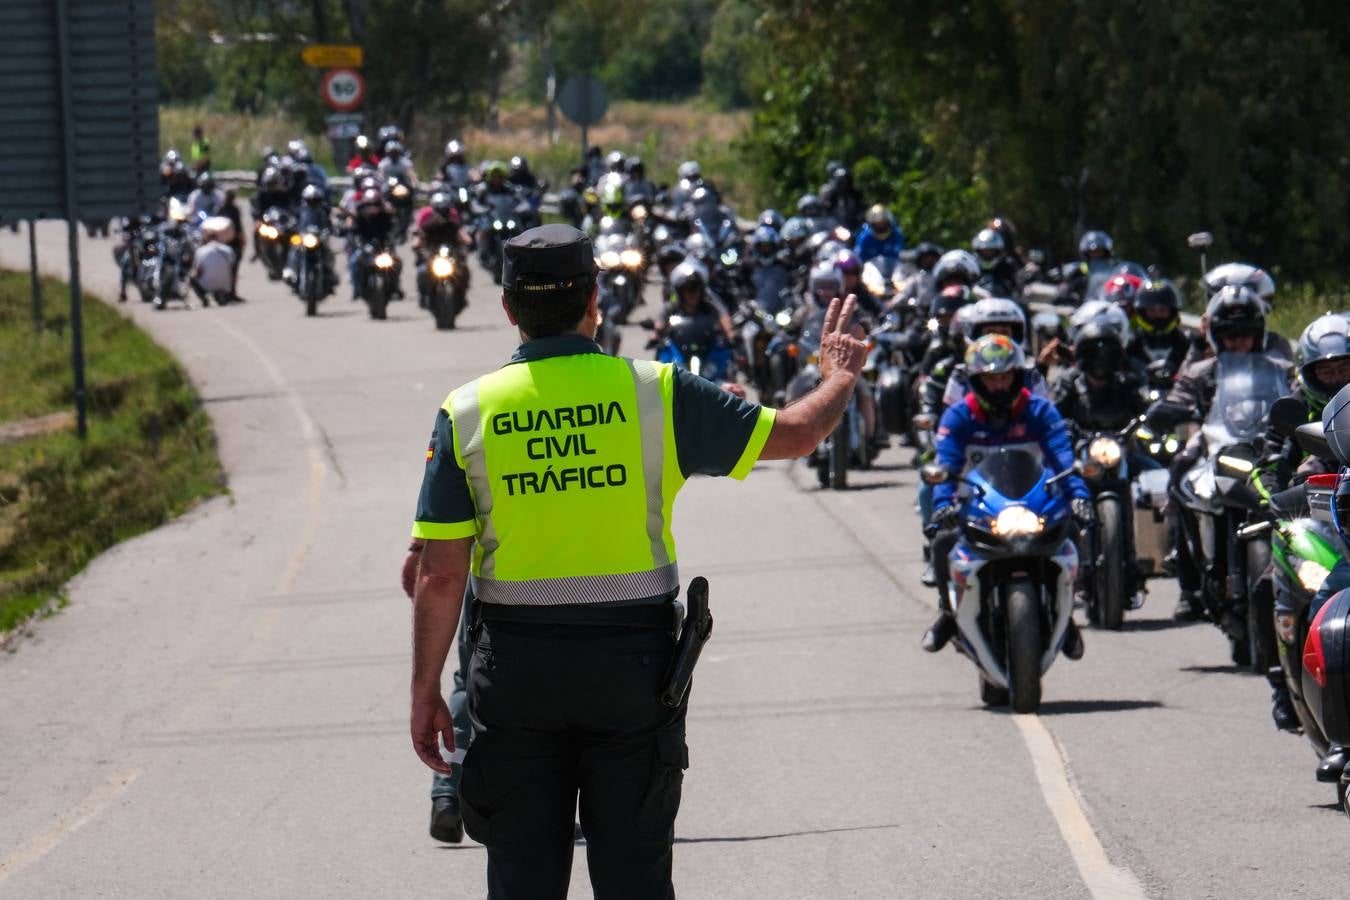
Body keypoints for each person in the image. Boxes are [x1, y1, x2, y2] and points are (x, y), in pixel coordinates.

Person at [404, 223, 869, 898]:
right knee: (635, 880)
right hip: (633, 676)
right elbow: (798, 433)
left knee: (520, 881)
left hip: (516, 678)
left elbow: (439, 574)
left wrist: (423, 693)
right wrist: (840, 376)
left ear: (507, 308)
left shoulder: (467, 412)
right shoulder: (658, 391)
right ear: (596, 300)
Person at [922, 334, 1092, 654]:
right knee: (943, 542)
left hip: (1035, 505)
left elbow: (1062, 459)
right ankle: (948, 612)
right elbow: (945, 464)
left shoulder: (1041, 411)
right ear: (976, 380)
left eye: (1005, 377)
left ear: (1017, 377)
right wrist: (943, 505)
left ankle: (1065, 616)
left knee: (1071, 533)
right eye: (990, 378)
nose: (999, 385)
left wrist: (1079, 497)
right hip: (977, 508)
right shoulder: (959, 416)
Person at [1151, 285, 1292, 621]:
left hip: (1266, 445)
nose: (1237, 342)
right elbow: (1179, 396)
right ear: (1216, 335)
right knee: (1180, 472)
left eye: (1244, 334)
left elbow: (1298, 394)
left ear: (1257, 334)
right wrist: (1170, 409)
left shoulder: (1280, 367)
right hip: (1214, 442)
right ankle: (1187, 584)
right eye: (1229, 335)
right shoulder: (1203, 370)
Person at [188, 231, 236, 308]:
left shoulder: (200, 251)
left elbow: (199, 270)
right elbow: (232, 265)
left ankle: (203, 298)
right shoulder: (227, 249)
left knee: (192, 278)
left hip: (207, 285)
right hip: (225, 284)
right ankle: (222, 294)